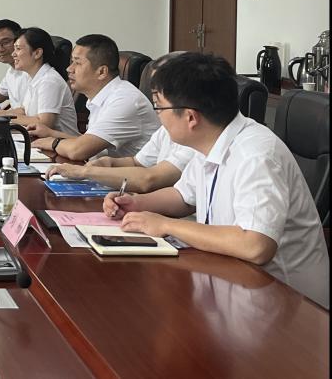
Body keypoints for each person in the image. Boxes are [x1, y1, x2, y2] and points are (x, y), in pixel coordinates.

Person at [105, 52, 328, 308]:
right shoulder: (209, 141)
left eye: (159, 107)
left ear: (191, 117)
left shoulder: (256, 155)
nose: (158, 116)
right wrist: (136, 203)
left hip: (288, 302)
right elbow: (183, 197)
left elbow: (255, 245)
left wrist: (166, 225)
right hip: (233, 282)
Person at [46, 52, 195, 191]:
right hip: (138, 192)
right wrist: (109, 162)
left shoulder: (126, 100)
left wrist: (85, 172)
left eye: (158, 104)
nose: (69, 69)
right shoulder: (166, 129)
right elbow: (137, 162)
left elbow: (149, 179)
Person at [31, 34, 158, 161]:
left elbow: (78, 150)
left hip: (130, 172)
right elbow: (90, 141)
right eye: (71, 62)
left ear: (102, 72)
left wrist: (53, 142)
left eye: (77, 63)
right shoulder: (101, 96)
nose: (69, 69)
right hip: (108, 169)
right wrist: (51, 133)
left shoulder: (124, 101)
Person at [0, 27, 78, 135]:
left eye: (18, 49)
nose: (13, 54)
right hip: (41, 141)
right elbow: (24, 110)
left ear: (37, 53)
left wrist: (5, 117)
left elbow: (44, 123)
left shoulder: (50, 81)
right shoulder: (33, 77)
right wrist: (1, 114)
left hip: (61, 143)